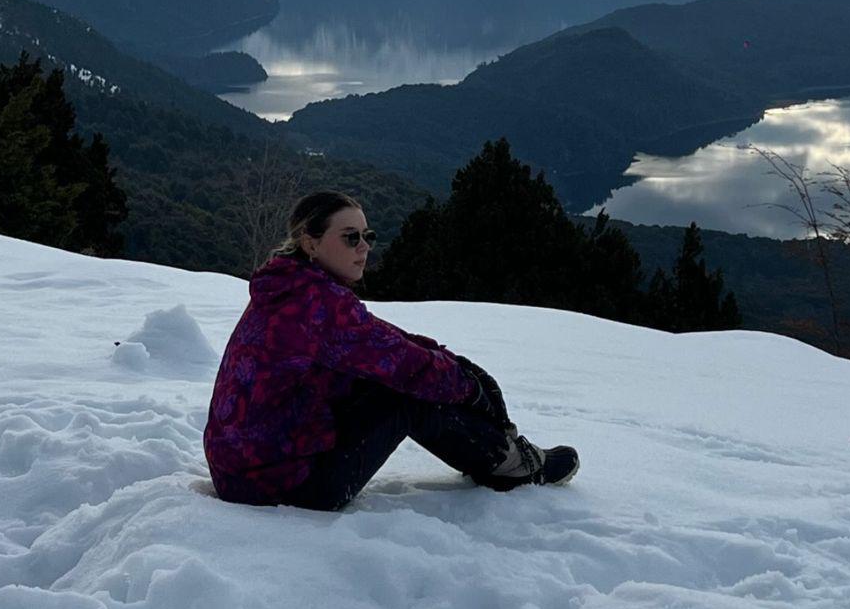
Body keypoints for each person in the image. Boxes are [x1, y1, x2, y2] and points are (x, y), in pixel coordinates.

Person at [204, 190, 579, 510]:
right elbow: (406, 367)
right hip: (285, 486)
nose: (364, 247)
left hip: (246, 472)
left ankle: (497, 453)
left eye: (368, 236)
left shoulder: (289, 287)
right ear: (310, 242)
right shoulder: (318, 305)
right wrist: (473, 388)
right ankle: (509, 465)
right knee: (406, 394)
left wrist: (447, 360)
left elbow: (380, 341)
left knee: (401, 379)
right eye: (351, 237)